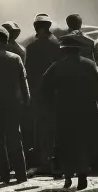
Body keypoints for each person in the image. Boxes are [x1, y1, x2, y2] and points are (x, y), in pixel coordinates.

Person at [42, 33, 98, 191]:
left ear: (64, 50)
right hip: (85, 111)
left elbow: (45, 87)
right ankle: (82, 175)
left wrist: (50, 105)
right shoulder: (89, 64)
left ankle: (68, 175)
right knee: (82, 143)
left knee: (65, 143)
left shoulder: (57, 66)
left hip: (64, 111)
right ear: (78, 50)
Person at [0, 26, 30, 184]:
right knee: (15, 138)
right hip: (13, 104)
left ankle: (4, 174)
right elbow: (23, 80)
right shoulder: (15, 58)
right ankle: (21, 174)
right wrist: (27, 98)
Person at [25, 13, 61, 173]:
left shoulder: (32, 47)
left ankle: (43, 161)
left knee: (41, 129)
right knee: (55, 128)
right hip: (56, 94)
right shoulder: (57, 44)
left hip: (38, 94)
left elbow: (28, 73)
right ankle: (54, 161)